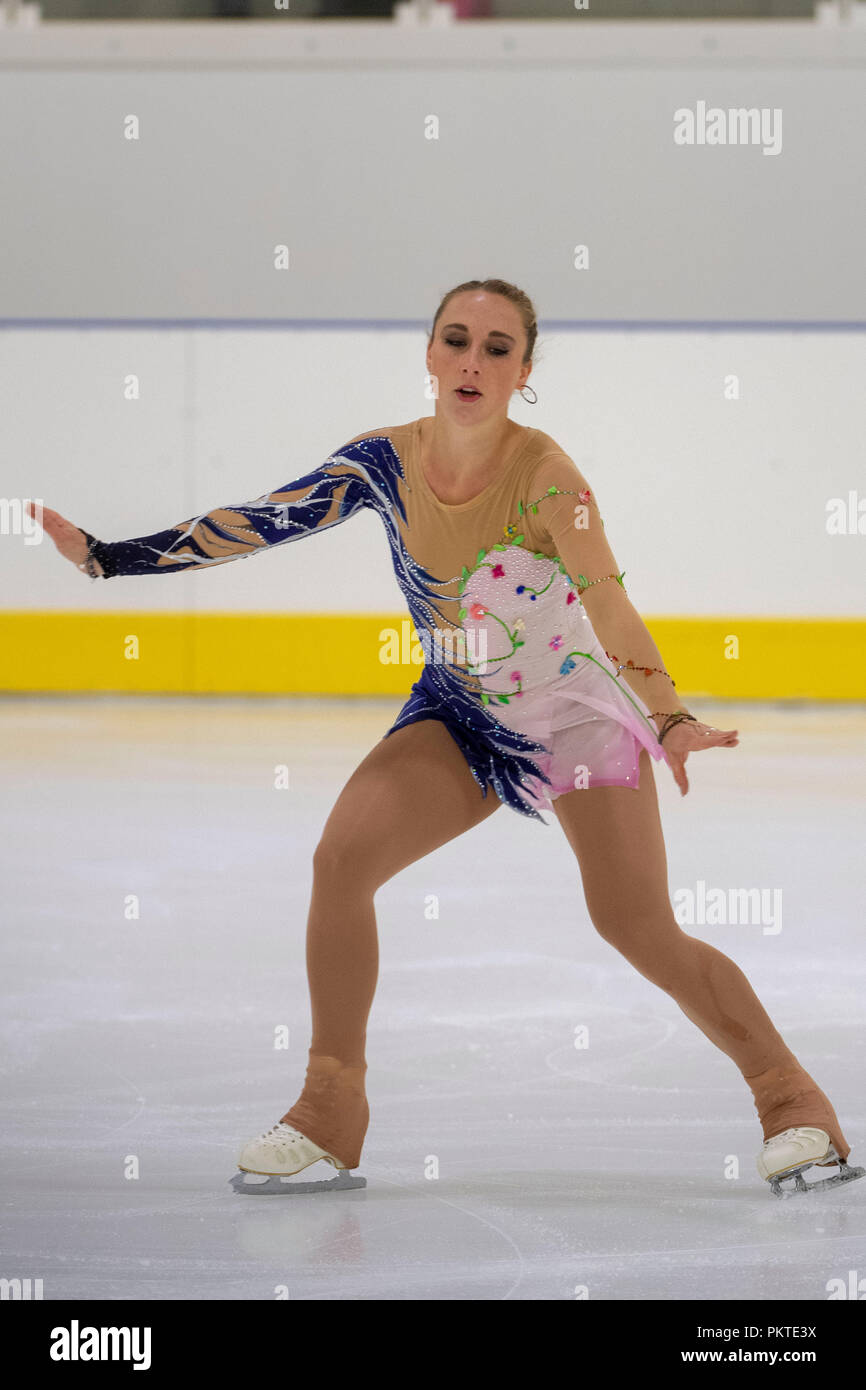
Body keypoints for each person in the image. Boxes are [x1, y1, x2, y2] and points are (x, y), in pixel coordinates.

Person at [29, 278, 858, 1197]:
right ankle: (329, 1111)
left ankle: (796, 1107)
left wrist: (669, 716)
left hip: (572, 716)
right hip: (462, 710)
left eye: (497, 348)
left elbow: (606, 599)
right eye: (456, 340)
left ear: (523, 374)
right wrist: (111, 557)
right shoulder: (381, 462)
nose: (472, 359)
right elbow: (264, 521)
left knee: (636, 925)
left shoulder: (550, 478)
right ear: (429, 356)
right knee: (342, 860)